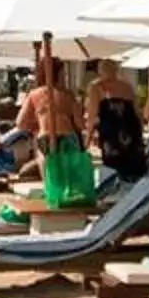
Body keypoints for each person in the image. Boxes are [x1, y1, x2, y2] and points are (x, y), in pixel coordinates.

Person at [14, 57, 91, 208]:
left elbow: (20, 123)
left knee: (51, 181)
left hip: (46, 136)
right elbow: (80, 124)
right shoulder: (68, 95)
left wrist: (36, 126)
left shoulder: (35, 95)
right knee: (69, 181)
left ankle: (54, 207)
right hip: (69, 137)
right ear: (58, 74)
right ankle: (70, 208)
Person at [87, 65, 148, 183]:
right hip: (131, 135)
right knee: (131, 171)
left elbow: (92, 115)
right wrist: (140, 135)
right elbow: (138, 113)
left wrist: (87, 140)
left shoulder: (97, 87)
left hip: (111, 136)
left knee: (113, 170)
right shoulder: (127, 87)